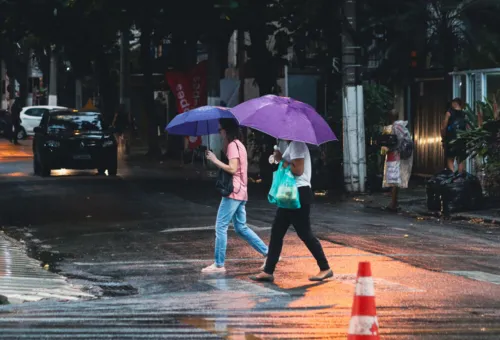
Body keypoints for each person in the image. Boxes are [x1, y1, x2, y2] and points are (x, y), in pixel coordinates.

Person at [250, 140, 333, 282]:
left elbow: (298, 170)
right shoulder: (292, 145)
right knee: (277, 231)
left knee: (304, 233)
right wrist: (281, 158)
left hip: (298, 193)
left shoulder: (297, 144)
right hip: (291, 193)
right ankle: (268, 270)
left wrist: (281, 160)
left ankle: (325, 267)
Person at [202, 118, 269, 273]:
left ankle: (219, 264)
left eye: (220, 130)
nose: (219, 133)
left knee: (221, 226)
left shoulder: (233, 146)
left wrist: (214, 160)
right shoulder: (240, 145)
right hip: (242, 191)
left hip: (233, 192)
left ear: (226, 130)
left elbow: (232, 169)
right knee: (240, 227)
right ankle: (268, 253)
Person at [381, 110, 413, 211]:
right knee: (396, 180)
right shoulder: (402, 127)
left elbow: (389, 143)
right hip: (402, 155)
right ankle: (394, 202)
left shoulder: (392, 128)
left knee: (393, 180)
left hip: (394, 156)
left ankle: (393, 203)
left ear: (390, 117)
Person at [442, 98, 469, 172]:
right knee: (460, 160)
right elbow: (468, 127)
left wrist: (443, 137)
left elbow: (444, 126)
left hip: (451, 139)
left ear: (454, 103)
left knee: (450, 158)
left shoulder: (449, 113)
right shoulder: (464, 114)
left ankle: (453, 176)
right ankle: (459, 177)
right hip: (462, 139)